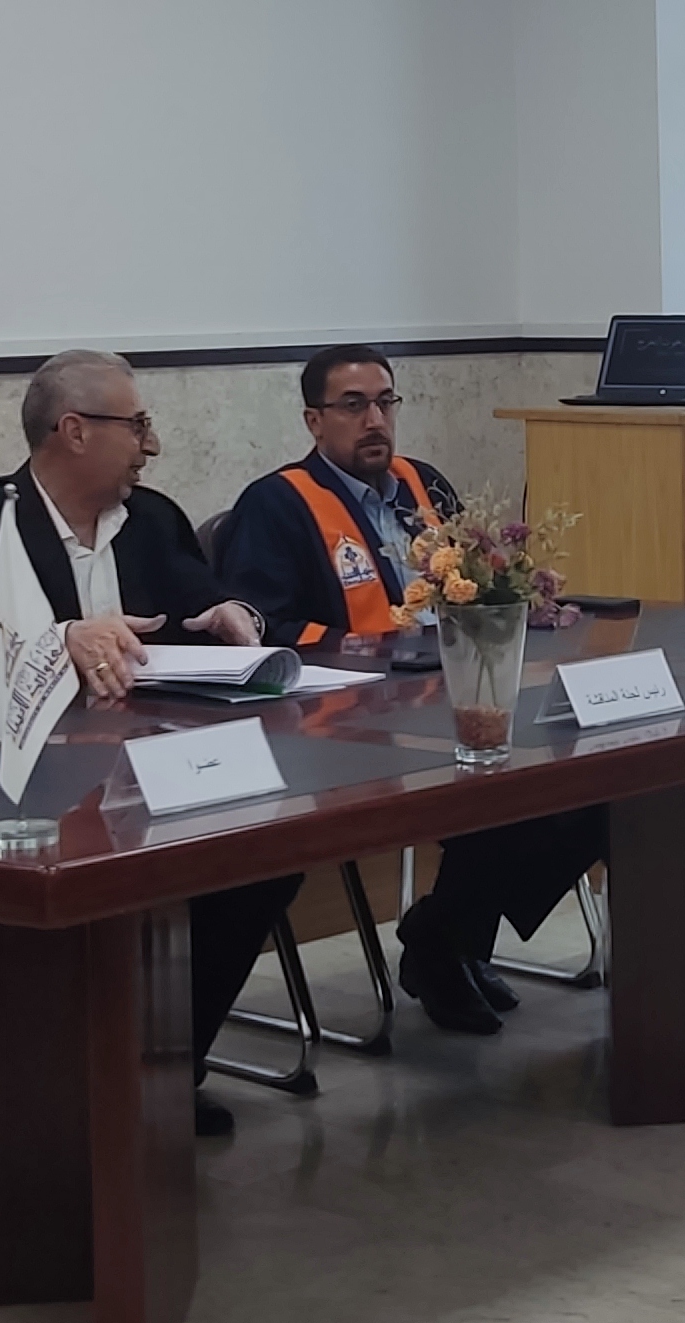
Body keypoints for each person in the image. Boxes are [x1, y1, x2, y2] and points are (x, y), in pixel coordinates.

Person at [0, 350, 292, 1134]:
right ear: (74, 431)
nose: (153, 445)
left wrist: (231, 614)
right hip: (11, 782)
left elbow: (199, 600)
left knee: (261, 856)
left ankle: (167, 1065)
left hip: (147, 765)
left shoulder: (154, 519)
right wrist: (61, 640)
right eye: (137, 425)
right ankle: (72, 1085)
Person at [216, 345, 605, 1039]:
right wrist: (371, 650)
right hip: (346, 726)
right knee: (499, 790)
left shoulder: (424, 485)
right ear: (314, 420)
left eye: (385, 402)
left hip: (448, 698)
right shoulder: (277, 504)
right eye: (353, 405)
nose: (375, 420)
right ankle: (448, 945)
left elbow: (478, 579)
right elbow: (262, 624)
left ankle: (444, 933)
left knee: (587, 782)